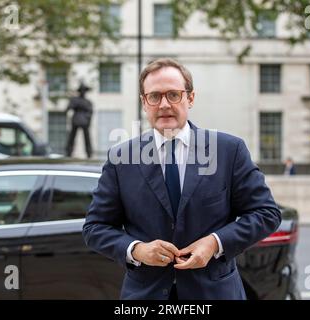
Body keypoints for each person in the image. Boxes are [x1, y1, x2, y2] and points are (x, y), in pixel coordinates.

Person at [82, 58, 281, 300]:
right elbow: (95, 228)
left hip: (214, 293)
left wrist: (215, 243)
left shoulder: (229, 150)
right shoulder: (121, 158)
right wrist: (137, 250)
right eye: (154, 96)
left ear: (191, 98)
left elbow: (266, 213)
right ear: (144, 103)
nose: (164, 104)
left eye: (173, 95)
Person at [65, 83, 93, 158]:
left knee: (87, 138)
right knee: (72, 137)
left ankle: (89, 152)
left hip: (84, 121)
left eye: (84, 91)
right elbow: (68, 108)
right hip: (76, 120)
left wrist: (88, 121)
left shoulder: (88, 102)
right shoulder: (75, 100)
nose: (83, 92)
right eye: (82, 90)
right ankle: (69, 151)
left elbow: (90, 112)